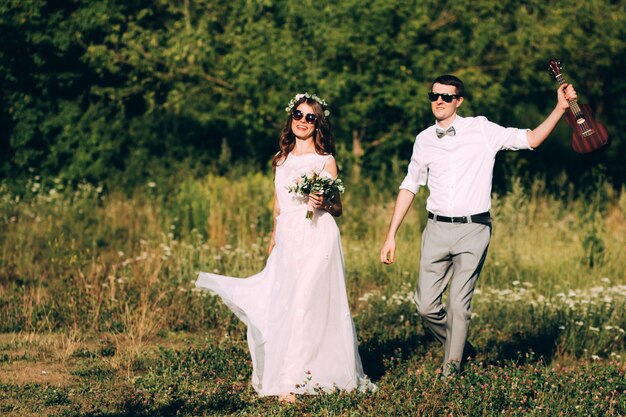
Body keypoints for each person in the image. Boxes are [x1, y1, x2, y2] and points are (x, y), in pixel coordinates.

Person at [379, 75, 577, 377]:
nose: (439, 101)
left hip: (474, 229)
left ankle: (451, 371)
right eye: (434, 96)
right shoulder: (424, 140)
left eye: (447, 97)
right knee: (425, 306)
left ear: (459, 100)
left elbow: (532, 139)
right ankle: (458, 346)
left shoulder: (482, 129)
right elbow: (409, 186)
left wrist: (560, 108)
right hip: (435, 229)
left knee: (459, 304)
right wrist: (391, 235)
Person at [196, 93, 375, 403]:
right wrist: (273, 236)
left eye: (310, 117)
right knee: (285, 303)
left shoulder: (325, 160)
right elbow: (278, 204)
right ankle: (302, 371)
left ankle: (291, 383)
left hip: (318, 236)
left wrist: (323, 201)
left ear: (318, 124)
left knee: (306, 303)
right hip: (289, 239)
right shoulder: (281, 159)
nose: (302, 121)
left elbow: (338, 208)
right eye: (298, 115)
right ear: (291, 118)